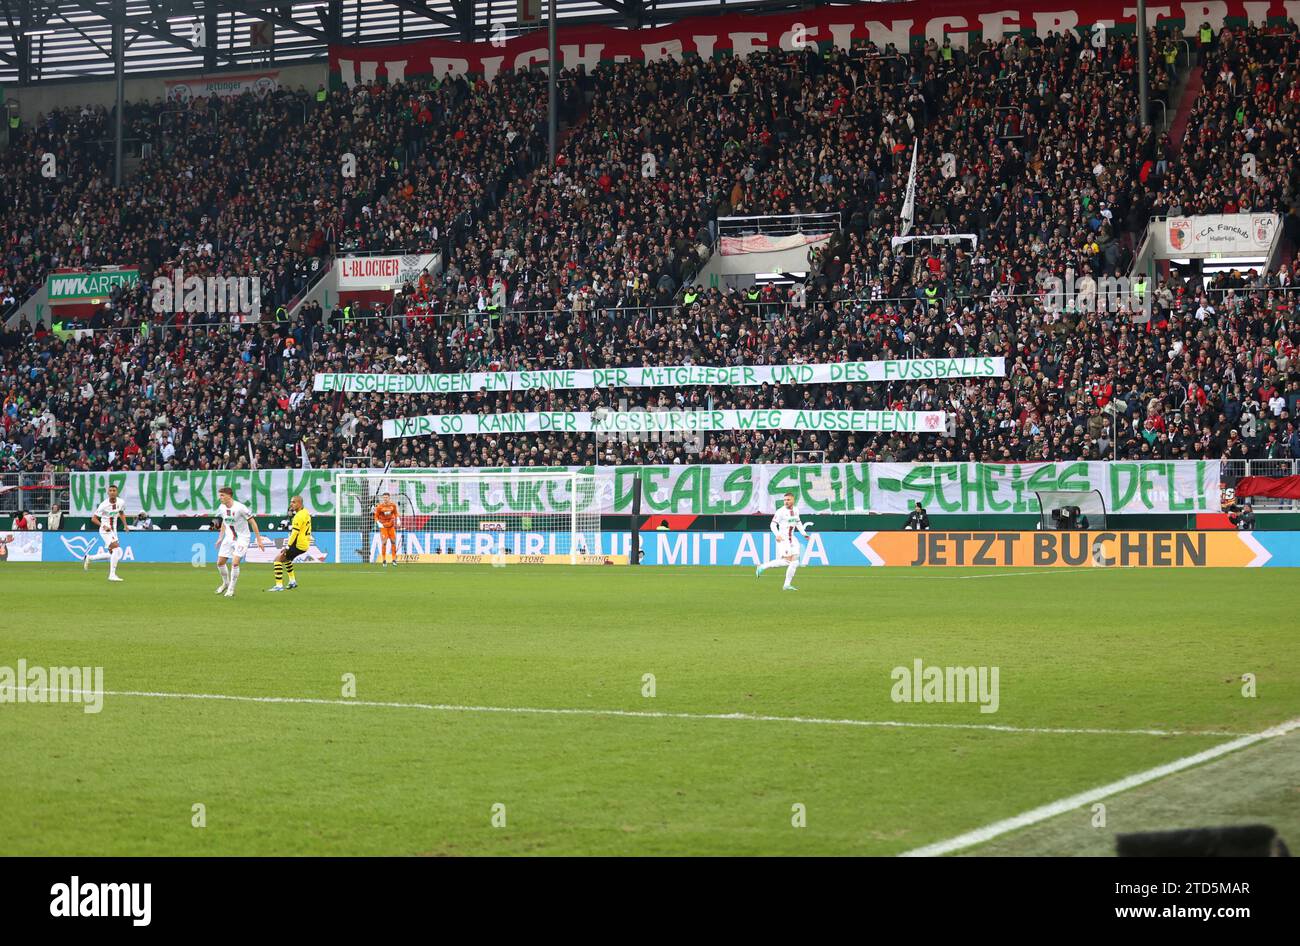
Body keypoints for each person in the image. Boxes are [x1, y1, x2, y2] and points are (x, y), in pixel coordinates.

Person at [213, 486, 267, 598]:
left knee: (235, 562)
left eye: (222, 495)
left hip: (242, 538)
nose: (220, 498)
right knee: (220, 563)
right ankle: (225, 583)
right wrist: (220, 537)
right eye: (220, 495)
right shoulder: (222, 508)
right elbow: (224, 521)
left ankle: (231, 589)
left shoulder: (240, 508)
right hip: (229, 538)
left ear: (229, 495)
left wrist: (259, 539)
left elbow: (253, 523)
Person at [755, 492, 811, 591]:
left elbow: (798, 522)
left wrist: (804, 534)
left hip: (792, 538)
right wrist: (777, 535)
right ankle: (762, 567)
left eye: (788, 500)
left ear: (793, 500)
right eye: (785, 500)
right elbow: (772, 525)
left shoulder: (796, 510)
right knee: (788, 561)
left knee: (795, 562)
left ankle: (786, 585)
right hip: (783, 539)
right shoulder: (780, 511)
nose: (786, 502)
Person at [83, 483, 128, 581]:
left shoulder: (121, 502)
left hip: (114, 530)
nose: (112, 492)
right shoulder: (104, 505)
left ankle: (90, 558)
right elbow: (93, 519)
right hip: (105, 531)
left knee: (116, 554)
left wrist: (125, 525)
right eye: (110, 491)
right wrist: (103, 526)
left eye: (114, 490)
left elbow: (121, 513)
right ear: (108, 492)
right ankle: (112, 575)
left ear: (117, 492)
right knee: (116, 549)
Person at [269, 495, 312, 592]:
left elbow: (295, 533)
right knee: (287, 559)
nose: (291, 504)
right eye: (291, 502)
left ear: (300, 503)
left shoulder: (298, 516)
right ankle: (292, 581)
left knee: (278, 559)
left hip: (298, 544)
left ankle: (279, 586)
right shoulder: (305, 513)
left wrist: (287, 546)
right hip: (304, 543)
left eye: (293, 502)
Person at [373, 491, 401, 566]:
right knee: (384, 543)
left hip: (391, 527)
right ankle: (384, 560)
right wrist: (378, 523)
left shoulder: (393, 505)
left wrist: (398, 519)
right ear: (383, 498)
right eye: (384, 497)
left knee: (393, 542)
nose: (385, 499)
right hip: (383, 527)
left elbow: (395, 513)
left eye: (386, 497)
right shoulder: (380, 507)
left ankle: (394, 560)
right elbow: (376, 516)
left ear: (389, 498)